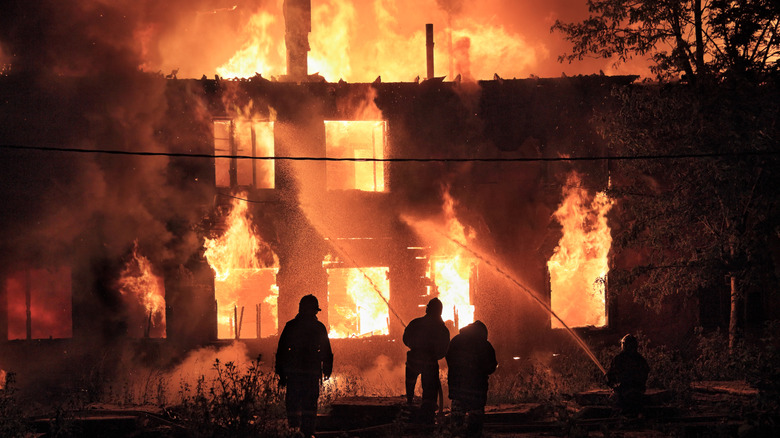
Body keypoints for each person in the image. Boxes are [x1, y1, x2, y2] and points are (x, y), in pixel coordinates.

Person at [276, 294, 333, 437]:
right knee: (310, 404)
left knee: (294, 402)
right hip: (311, 373)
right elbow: (326, 351)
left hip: (294, 373)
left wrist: (282, 374)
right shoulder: (318, 327)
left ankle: (295, 430)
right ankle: (307, 432)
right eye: (314, 310)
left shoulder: (291, 326)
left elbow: (281, 351)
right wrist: (327, 369)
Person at [446, 320, 498, 438]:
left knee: (457, 419)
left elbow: (449, 359)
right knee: (475, 419)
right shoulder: (485, 345)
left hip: (457, 388)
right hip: (477, 391)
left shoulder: (456, 341)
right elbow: (491, 366)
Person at [403, 297, 450, 423]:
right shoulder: (442, 329)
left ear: (427, 309)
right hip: (430, 363)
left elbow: (405, 339)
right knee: (430, 391)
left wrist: (415, 347)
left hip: (413, 360)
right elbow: (444, 348)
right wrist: (434, 356)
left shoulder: (415, 323)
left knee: (410, 385)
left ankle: (408, 408)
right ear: (440, 311)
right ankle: (427, 418)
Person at [606, 333, 650, 416]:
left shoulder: (619, 359)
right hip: (638, 390)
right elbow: (645, 375)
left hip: (624, 390)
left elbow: (611, 376)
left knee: (613, 402)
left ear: (623, 345)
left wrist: (611, 382)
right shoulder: (640, 359)